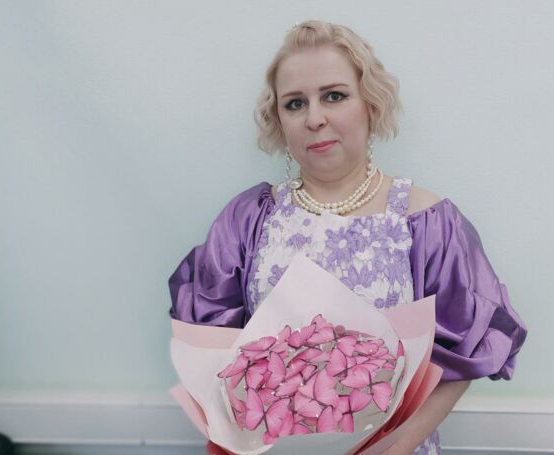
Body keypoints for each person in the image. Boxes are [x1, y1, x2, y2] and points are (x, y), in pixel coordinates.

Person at [168, 19, 527, 455]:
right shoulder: (248, 221)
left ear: (370, 104)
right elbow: (212, 356)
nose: (315, 118)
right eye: (295, 103)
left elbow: (463, 354)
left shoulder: (425, 221)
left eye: (334, 96)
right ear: (279, 120)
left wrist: (393, 448)